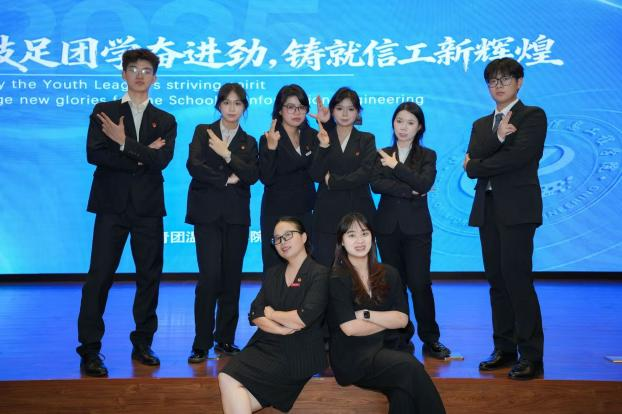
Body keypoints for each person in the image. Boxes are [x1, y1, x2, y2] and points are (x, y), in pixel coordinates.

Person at [77, 48, 177, 377]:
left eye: (146, 70)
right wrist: (142, 153)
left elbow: (161, 161)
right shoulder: (104, 112)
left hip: (148, 209)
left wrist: (122, 143)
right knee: (99, 276)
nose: (139, 75)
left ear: (155, 78)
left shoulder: (165, 120)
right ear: (123, 74)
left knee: (149, 277)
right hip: (111, 206)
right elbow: (95, 154)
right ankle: (90, 349)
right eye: (133, 69)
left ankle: (143, 343)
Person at [464, 57, 547, 380]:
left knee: (517, 280)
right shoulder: (481, 124)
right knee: (496, 281)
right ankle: (504, 348)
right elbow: (475, 159)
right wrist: (497, 139)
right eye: (492, 81)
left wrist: (478, 164)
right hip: (487, 209)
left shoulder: (532, 116)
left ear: (519, 82)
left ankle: (531, 355)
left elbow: (517, 158)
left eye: (505, 79)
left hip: (518, 209)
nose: (498, 86)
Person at [328, 212, 445, 414]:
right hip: (355, 357)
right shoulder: (337, 279)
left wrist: (366, 314)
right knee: (411, 367)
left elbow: (402, 320)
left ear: (373, 238)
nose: (359, 240)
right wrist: (387, 320)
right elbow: (349, 328)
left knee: (402, 392)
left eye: (364, 233)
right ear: (342, 242)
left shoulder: (389, 273)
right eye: (351, 235)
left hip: (390, 348)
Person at [218, 217, 328, 413]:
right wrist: (281, 329)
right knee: (226, 377)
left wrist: (273, 313)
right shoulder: (273, 273)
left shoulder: (319, 273)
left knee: (231, 386)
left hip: (300, 350)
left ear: (304, 237)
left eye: (288, 236)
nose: (282, 242)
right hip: (266, 343)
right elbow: (255, 313)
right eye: (277, 239)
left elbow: (302, 318)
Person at [185, 83, 258, 362]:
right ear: (218, 105)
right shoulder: (203, 131)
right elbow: (194, 165)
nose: (231, 108)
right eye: (226, 102)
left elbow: (251, 175)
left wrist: (228, 155)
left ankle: (225, 339)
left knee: (231, 278)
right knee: (209, 277)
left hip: (236, 217)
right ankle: (201, 343)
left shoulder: (249, 142)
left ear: (244, 107)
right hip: (206, 215)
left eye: (237, 103)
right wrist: (226, 178)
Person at [371, 102, 450, 359]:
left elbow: (424, 183)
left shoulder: (428, 155)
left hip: (417, 229)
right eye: (399, 121)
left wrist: (396, 168)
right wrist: (410, 191)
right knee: (394, 284)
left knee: (420, 283)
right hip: (387, 227)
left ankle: (431, 339)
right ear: (393, 124)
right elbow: (376, 185)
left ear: (419, 127)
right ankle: (399, 337)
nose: (403, 127)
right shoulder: (381, 153)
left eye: (410, 123)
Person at [309, 87, 376, 267]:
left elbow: (365, 174)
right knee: (325, 268)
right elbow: (315, 175)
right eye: (339, 108)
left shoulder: (367, 139)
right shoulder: (322, 137)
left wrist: (333, 181)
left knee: (360, 270)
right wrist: (323, 147)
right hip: (327, 213)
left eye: (350, 109)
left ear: (358, 112)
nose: (345, 114)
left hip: (359, 212)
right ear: (332, 111)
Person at [258, 84, 318, 272]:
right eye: (290, 107)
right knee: (275, 267)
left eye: (301, 107)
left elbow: (317, 172)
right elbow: (266, 178)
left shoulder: (313, 136)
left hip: (305, 210)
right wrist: (271, 148)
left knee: (306, 265)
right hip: (276, 211)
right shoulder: (268, 137)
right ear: (280, 110)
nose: (296, 112)